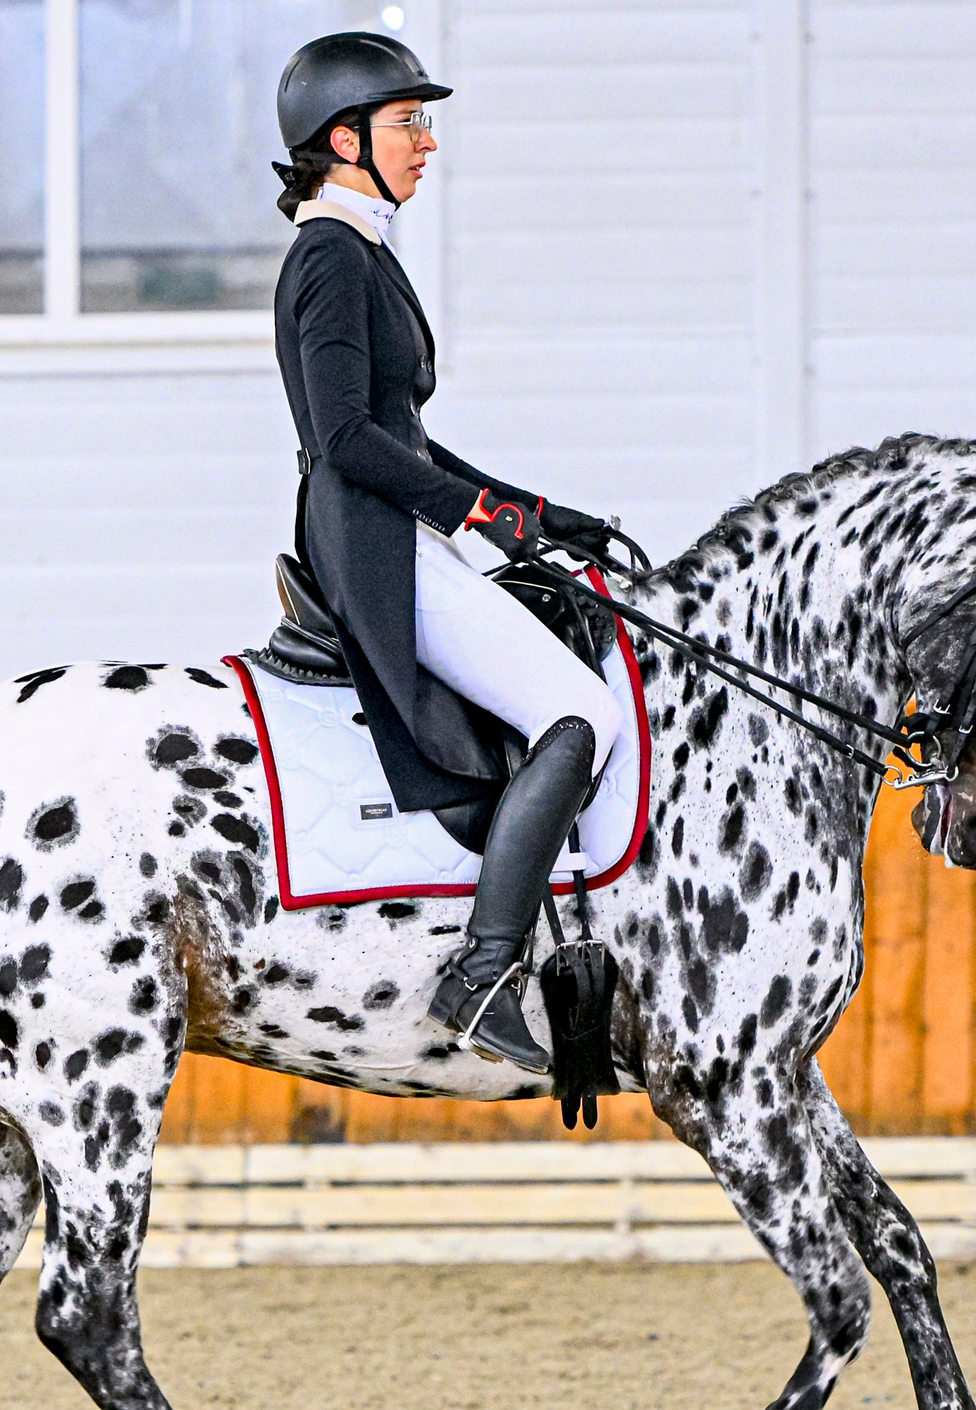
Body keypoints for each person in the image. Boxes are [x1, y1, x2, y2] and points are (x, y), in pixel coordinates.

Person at [270, 33, 620, 1076]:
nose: (428, 142)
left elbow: (402, 433)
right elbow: (345, 439)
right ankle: (480, 969)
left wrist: (533, 512)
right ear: (344, 140)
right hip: (371, 542)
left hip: (393, 520)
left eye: (425, 122)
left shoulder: (362, 248)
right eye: (407, 123)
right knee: (581, 714)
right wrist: (478, 515)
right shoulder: (329, 255)